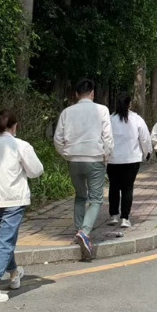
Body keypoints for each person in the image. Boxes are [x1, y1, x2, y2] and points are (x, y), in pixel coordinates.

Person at [0, 110, 44, 304]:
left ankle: (13, 274)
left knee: (3, 241)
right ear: (15, 126)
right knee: (5, 243)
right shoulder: (21, 145)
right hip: (13, 200)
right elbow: (36, 170)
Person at [54, 78, 113, 261]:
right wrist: (106, 156)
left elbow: (58, 139)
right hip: (94, 158)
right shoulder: (102, 110)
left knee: (80, 196)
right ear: (93, 93)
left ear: (76, 94)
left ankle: (78, 230)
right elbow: (108, 137)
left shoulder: (67, 112)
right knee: (96, 199)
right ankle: (84, 232)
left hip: (74, 159)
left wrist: (66, 154)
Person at [107, 92, 151, 233]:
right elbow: (145, 138)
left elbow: (104, 137)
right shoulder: (137, 119)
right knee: (127, 188)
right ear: (129, 104)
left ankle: (113, 215)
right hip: (131, 159)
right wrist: (147, 152)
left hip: (113, 159)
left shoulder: (110, 119)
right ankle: (125, 218)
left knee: (114, 187)